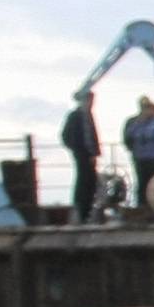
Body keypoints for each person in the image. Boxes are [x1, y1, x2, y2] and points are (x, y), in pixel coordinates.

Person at [120, 94, 154, 209]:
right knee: (142, 183)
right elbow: (128, 137)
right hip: (140, 157)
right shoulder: (133, 121)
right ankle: (142, 206)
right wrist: (138, 123)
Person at [58, 90, 101, 223]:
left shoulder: (87, 116)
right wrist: (78, 149)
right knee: (83, 181)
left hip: (90, 154)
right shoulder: (75, 116)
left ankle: (86, 210)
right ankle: (81, 211)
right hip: (82, 154)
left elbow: (92, 136)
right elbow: (66, 136)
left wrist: (95, 152)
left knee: (91, 181)